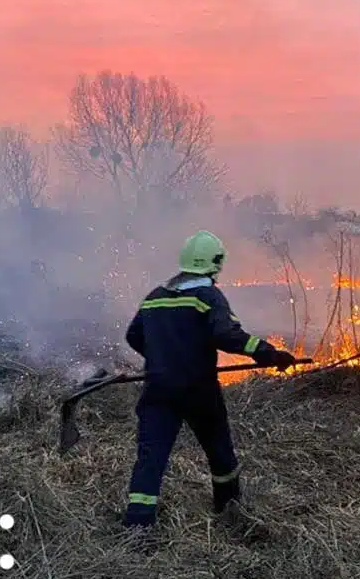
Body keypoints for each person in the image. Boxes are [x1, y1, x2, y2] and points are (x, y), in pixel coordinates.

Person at [122, 230, 294, 539]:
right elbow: (227, 335)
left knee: (151, 457)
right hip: (197, 389)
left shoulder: (155, 297)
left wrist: (163, 358)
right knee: (219, 451)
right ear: (215, 263)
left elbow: (134, 336)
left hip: (158, 389)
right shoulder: (208, 296)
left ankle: (137, 526)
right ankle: (229, 511)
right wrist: (269, 354)